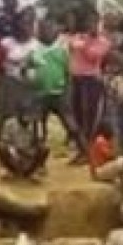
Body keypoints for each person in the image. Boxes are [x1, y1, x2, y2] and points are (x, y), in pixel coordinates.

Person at [25, 17, 80, 157]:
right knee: (37, 125)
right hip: (39, 93)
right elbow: (25, 69)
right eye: (43, 29)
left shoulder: (61, 50)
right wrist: (30, 77)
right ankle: (36, 156)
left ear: (55, 32)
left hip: (59, 93)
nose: (46, 32)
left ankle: (84, 152)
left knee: (70, 123)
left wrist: (68, 91)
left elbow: (68, 74)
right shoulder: (34, 49)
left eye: (50, 29)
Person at [68, 10, 111, 144]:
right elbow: (71, 46)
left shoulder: (104, 41)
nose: (92, 25)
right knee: (77, 112)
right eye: (89, 21)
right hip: (76, 79)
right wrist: (84, 42)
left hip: (91, 80)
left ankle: (89, 143)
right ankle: (81, 145)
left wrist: (86, 42)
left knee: (90, 113)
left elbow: (92, 56)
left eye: (95, 22)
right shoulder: (78, 37)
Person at [0, 10, 41, 130]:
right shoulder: (6, 43)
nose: (26, 27)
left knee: (29, 118)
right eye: (23, 23)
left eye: (29, 23)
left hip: (29, 86)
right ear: (17, 24)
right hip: (10, 85)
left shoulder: (37, 45)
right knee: (10, 117)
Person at [0, 106, 49, 180]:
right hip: (14, 154)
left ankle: (35, 171)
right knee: (0, 147)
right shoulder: (9, 123)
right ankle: (8, 170)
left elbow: (39, 143)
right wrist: (13, 151)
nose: (27, 118)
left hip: (29, 155)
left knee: (45, 148)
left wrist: (31, 152)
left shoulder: (36, 124)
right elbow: (5, 141)